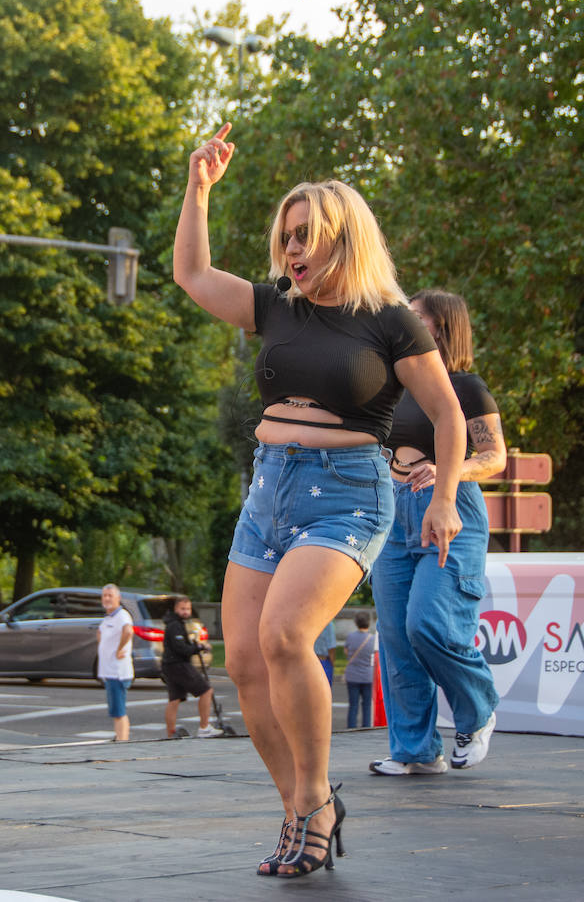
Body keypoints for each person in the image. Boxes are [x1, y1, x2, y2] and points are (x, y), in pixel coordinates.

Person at [173, 123, 467, 878]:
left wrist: (445, 500)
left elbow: (448, 414)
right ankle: (302, 808)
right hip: (268, 489)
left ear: (345, 237)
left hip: (348, 496)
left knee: (283, 637)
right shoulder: (276, 306)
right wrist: (197, 191)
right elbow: (194, 276)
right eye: (287, 238)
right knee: (242, 659)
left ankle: (312, 796)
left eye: (308, 236)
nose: (294, 251)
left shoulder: (391, 320)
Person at [370, 291, 506, 776]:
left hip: (449, 508)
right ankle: (417, 751)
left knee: (426, 622)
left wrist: (450, 473)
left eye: (414, 315)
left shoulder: (465, 387)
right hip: (392, 509)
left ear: (439, 328)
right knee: (395, 638)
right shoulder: (392, 382)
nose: (401, 320)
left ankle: (478, 708)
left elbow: (495, 457)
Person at [161, 596, 218, 739]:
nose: (186, 612)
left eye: (188, 609)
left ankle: (171, 732)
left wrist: (195, 646)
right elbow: (181, 649)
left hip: (170, 665)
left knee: (175, 699)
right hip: (178, 664)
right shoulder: (174, 625)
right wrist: (198, 646)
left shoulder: (176, 623)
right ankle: (204, 727)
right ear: (176, 609)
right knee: (206, 691)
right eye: (182, 609)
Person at [96, 584, 134, 742]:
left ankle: (122, 743)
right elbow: (100, 634)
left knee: (119, 712)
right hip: (109, 671)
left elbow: (128, 631)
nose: (106, 598)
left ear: (118, 598)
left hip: (117, 671)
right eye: (104, 595)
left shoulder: (122, 615)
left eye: (110, 595)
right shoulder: (108, 617)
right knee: (116, 711)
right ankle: (120, 738)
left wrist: (119, 649)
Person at [343, 611, 376, 729]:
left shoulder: (350, 637)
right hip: (368, 675)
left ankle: (351, 727)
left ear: (356, 623)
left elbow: (346, 651)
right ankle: (366, 727)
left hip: (352, 675)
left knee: (353, 704)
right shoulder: (373, 639)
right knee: (367, 705)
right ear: (369, 622)